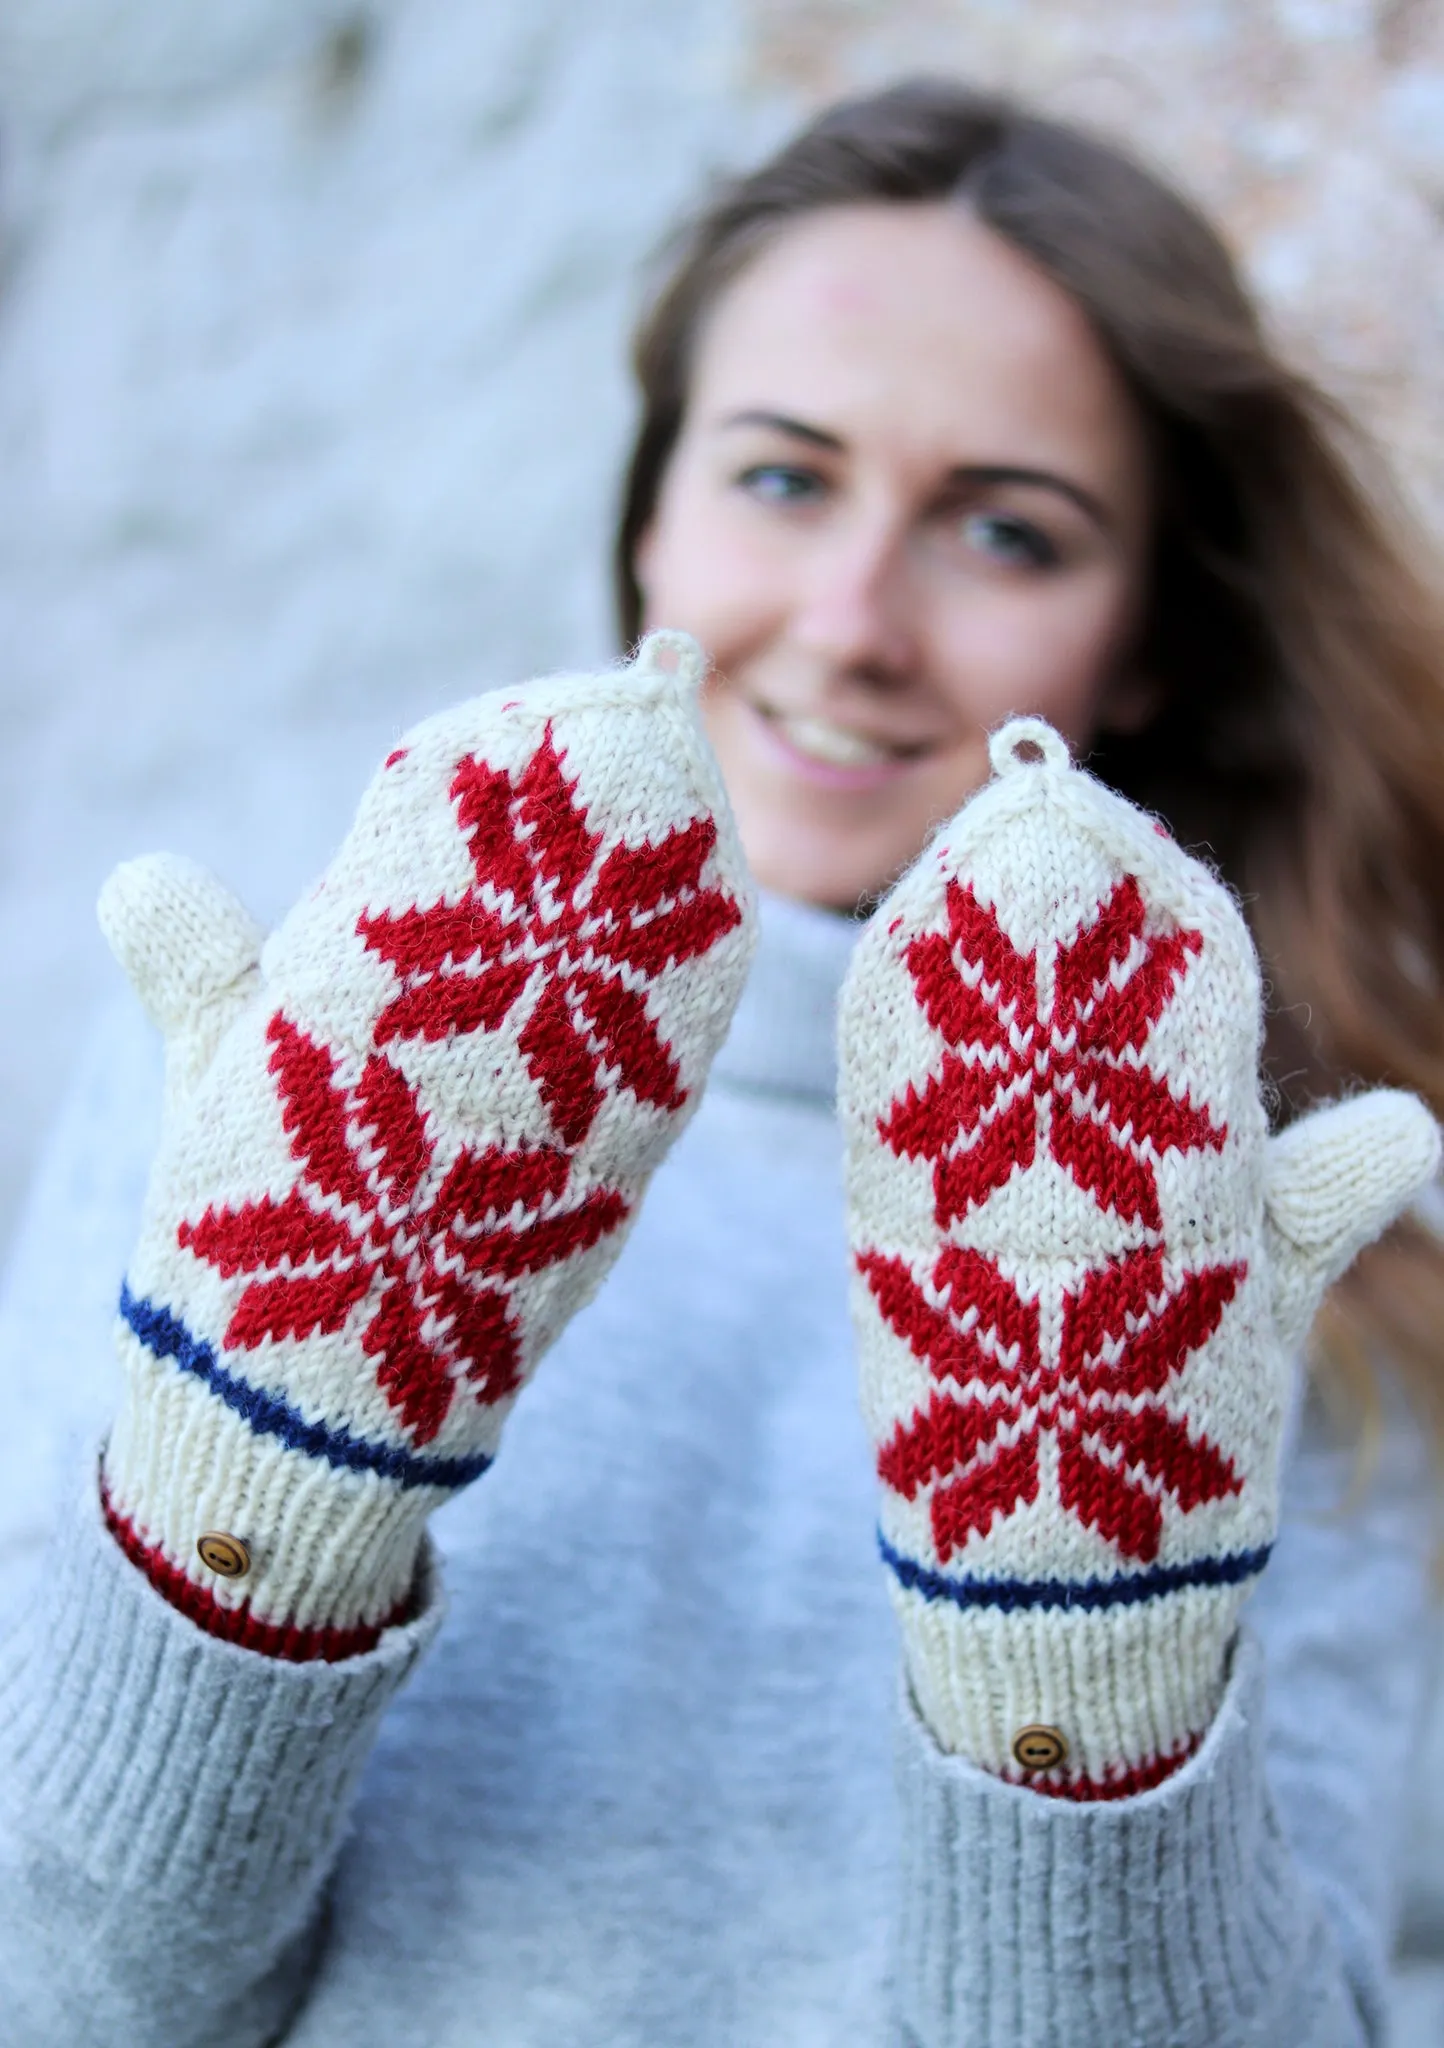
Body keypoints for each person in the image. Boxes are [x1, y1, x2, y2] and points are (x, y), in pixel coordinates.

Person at [0, 76, 1441, 2048]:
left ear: (1143, 644)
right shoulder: (286, 1068)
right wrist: (246, 1502)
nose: (851, 622)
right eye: (779, 477)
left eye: (1004, 532)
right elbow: (59, 1995)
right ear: (650, 513)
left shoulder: (1294, 1262)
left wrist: (1080, 1695)